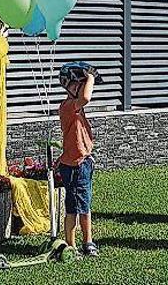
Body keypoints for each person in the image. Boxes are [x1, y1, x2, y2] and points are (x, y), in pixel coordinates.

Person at [56, 61, 99, 257]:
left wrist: (87, 80)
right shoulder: (67, 106)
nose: (80, 87)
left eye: (81, 84)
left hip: (84, 163)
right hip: (71, 166)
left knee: (86, 205)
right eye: (76, 84)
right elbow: (86, 97)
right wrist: (90, 77)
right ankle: (70, 246)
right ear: (66, 85)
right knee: (72, 207)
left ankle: (87, 241)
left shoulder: (77, 108)